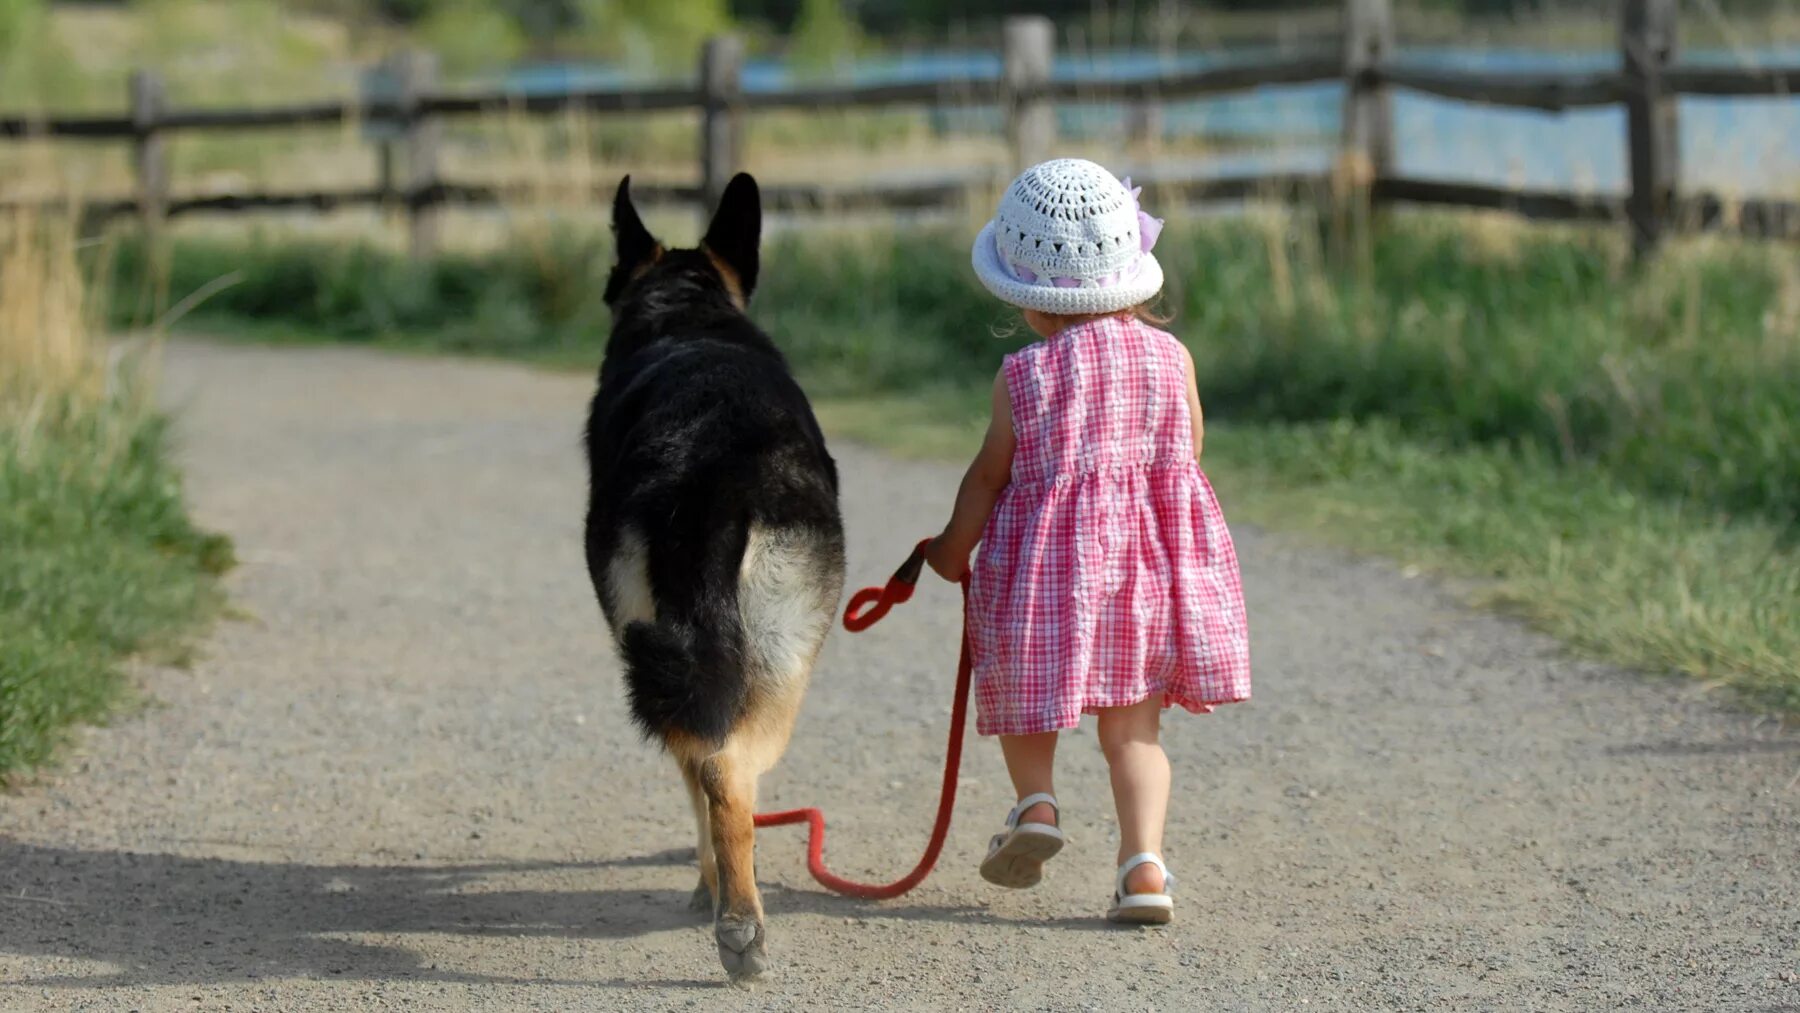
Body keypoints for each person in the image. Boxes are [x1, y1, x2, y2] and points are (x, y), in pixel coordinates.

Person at [924, 158, 1251, 925]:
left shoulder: (1024, 376)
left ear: (1030, 302)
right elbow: (1188, 452)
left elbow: (986, 478)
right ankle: (1144, 867)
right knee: (1134, 730)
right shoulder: (1174, 359)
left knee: (1029, 700)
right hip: (1144, 572)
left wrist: (948, 550)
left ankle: (1036, 805)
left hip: (1045, 578)